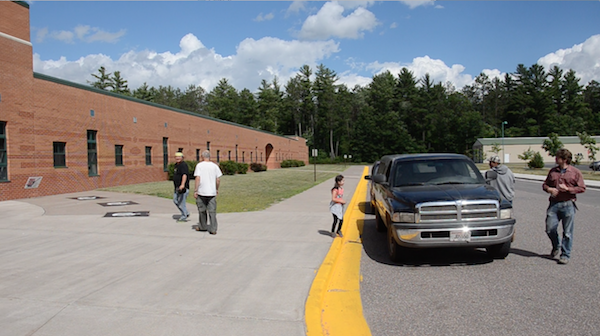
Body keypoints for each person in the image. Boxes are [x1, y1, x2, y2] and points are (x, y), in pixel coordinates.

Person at [542, 148, 586, 265]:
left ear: (565, 159)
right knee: (549, 228)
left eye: (558, 157)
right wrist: (549, 189)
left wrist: (568, 189)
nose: (556, 159)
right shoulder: (553, 171)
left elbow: (582, 188)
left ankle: (565, 255)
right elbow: (545, 185)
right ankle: (556, 245)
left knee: (567, 232)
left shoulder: (575, 172)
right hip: (554, 204)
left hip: (568, 204)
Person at [193, 150, 223, 235]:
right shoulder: (214, 166)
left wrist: (196, 190)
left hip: (202, 192)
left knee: (202, 211)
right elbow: (218, 179)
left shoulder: (199, 166)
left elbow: (197, 178)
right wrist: (216, 189)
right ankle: (213, 229)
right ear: (209, 156)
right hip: (211, 192)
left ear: (202, 156)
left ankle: (203, 226)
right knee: (212, 212)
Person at [173, 152, 190, 222]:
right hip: (177, 188)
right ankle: (186, 212)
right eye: (176, 157)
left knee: (181, 202)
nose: (177, 158)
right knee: (175, 200)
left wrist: (182, 185)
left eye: (179, 157)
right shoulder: (176, 165)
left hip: (183, 188)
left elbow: (184, 175)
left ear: (182, 158)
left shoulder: (183, 165)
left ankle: (184, 216)